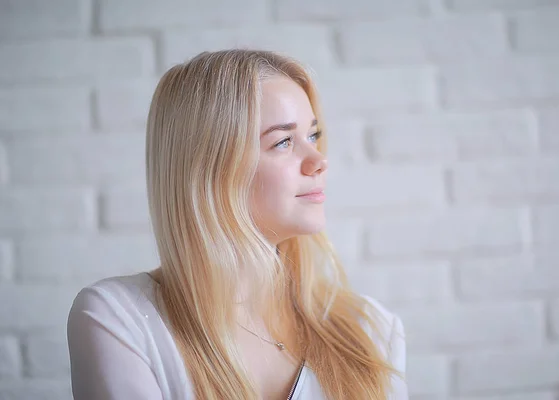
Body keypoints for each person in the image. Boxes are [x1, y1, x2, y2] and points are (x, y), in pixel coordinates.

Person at [67, 49, 408, 400]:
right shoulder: (120, 319)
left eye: (313, 136)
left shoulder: (373, 331)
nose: (319, 161)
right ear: (207, 168)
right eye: (283, 141)